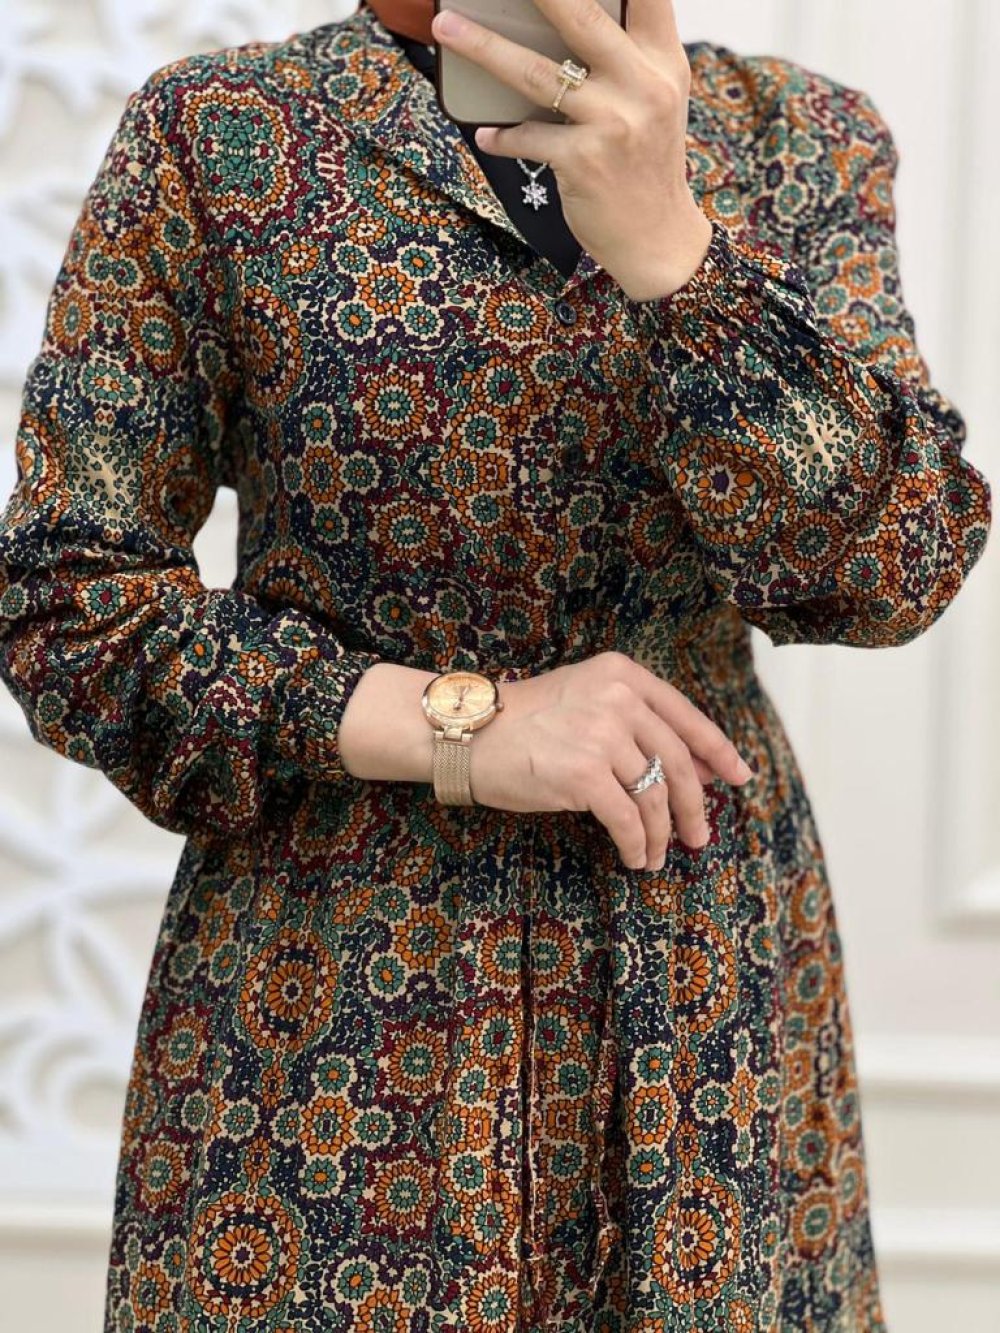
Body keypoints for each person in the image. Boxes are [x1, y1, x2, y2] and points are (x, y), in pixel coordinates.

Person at [0, 0, 991, 1327]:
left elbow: (891, 570)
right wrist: (457, 721)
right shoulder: (221, 135)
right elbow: (71, 601)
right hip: (331, 1003)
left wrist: (678, 253)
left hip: (701, 995)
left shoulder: (795, 140)